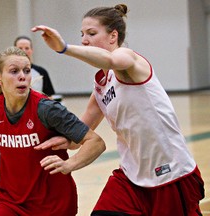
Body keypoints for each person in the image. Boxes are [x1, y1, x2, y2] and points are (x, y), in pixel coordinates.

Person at [31, 4, 205, 215]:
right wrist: (61, 141)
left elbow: (113, 60)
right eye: (82, 34)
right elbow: (79, 135)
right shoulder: (100, 88)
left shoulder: (129, 60)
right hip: (131, 177)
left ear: (113, 36)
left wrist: (64, 48)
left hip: (170, 173)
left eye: (92, 33)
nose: (84, 40)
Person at [0, 47, 105, 215]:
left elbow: (96, 142)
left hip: (52, 204)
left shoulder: (47, 109)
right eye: (14, 71)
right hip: (11, 201)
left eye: (27, 71)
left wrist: (70, 164)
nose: (22, 76)